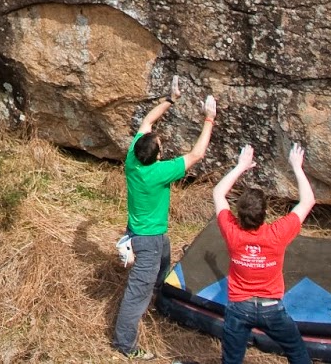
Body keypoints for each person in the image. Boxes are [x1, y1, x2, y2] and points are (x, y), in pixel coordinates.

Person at [112, 82, 217, 359]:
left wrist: (171, 99)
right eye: (161, 146)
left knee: (164, 257)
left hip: (137, 232)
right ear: (157, 157)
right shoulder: (159, 172)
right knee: (136, 293)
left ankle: (156, 293)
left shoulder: (133, 160)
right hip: (148, 240)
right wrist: (209, 118)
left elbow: (147, 120)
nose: (161, 144)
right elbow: (197, 154)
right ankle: (125, 345)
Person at [211, 143, 318, 364]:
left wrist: (241, 166)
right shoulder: (277, 234)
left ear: (238, 214)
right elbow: (308, 201)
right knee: (297, 353)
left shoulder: (232, 232)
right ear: (264, 214)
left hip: (239, 307)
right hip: (272, 309)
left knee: (231, 360)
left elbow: (218, 193)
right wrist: (297, 167)